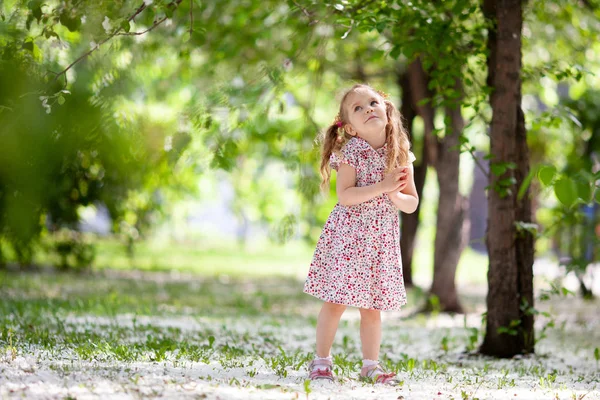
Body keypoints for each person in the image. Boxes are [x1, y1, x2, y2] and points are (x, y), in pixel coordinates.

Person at [303, 84, 419, 384]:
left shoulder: (401, 154)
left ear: (387, 111)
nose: (368, 108)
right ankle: (321, 361)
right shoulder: (352, 151)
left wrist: (394, 194)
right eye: (358, 108)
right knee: (336, 302)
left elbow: (411, 203)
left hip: (380, 241)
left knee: (372, 307)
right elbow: (345, 196)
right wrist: (383, 187)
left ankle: (370, 365)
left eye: (373, 103)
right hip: (349, 239)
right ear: (351, 129)